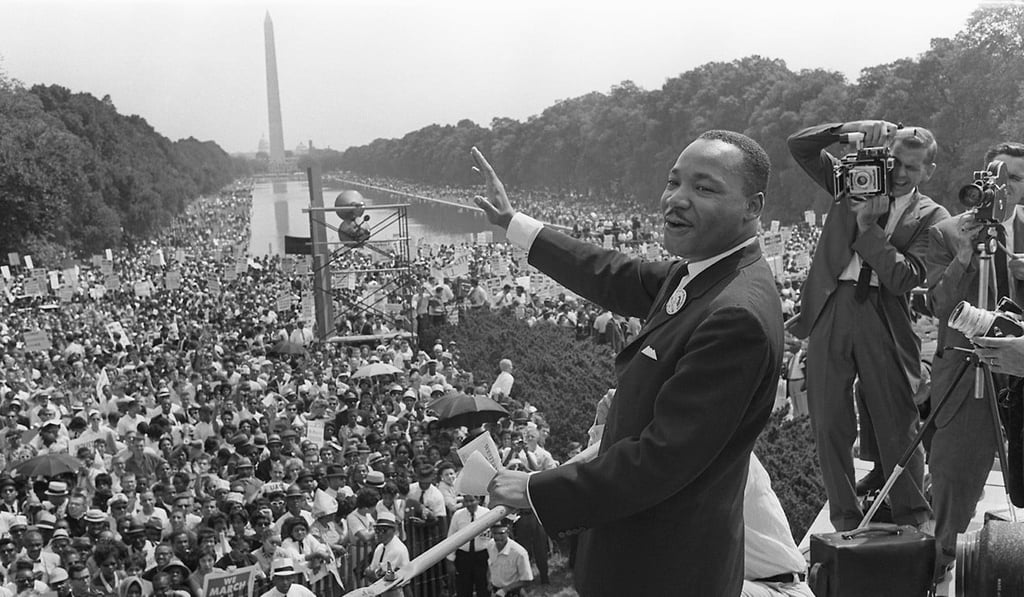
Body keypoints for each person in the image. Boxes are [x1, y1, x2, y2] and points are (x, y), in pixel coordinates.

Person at [474, 129, 784, 596]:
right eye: (673, 181)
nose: (676, 199)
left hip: (665, 567)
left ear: (753, 207)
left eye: (704, 188)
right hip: (646, 550)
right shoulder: (703, 271)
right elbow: (612, 273)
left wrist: (537, 489)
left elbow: (662, 459)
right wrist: (516, 224)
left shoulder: (734, 313)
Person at [787, 120, 948, 532]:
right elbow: (800, 146)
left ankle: (913, 517)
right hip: (832, 306)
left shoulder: (933, 216)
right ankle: (844, 517)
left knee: (898, 420)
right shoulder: (853, 180)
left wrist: (867, 229)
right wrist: (848, 128)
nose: (898, 173)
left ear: (928, 171)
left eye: (911, 168)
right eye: (894, 161)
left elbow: (905, 278)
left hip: (884, 313)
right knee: (828, 421)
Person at [926, 141, 1024, 580]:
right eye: (999, 176)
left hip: (1019, 373)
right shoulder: (947, 232)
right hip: (966, 376)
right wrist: (964, 256)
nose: (1006, 186)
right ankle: (941, 566)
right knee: (954, 481)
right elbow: (939, 307)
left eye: (1017, 179)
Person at [445, 495, 489, 597]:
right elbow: (451, 538)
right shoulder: (458, 515)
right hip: (463, 557)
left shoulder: (487, 513)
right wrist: (450, 560)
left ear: (478, 500)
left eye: (471, 500)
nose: (469, 504)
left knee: (483, 588)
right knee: (463, 589)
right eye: (466, 501)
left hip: (482, 557)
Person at [363, 512, 409, 597]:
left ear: (393, 530)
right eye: (377, 530)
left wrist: (372, 574)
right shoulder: (380, 548)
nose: (380, 533)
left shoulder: (397, 549)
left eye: (384, 530)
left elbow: (384, 578)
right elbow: (373, 569)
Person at [485, 518, 532, 597]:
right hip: (496, 592)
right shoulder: (490, 545)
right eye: (495, 533)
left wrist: (505, 590)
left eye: (501, 533)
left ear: (508, 532)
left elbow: (527, 580)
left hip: (513, 593)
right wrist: (489, 581)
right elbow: (491, 565)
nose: (498, 536)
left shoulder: (519, 553)